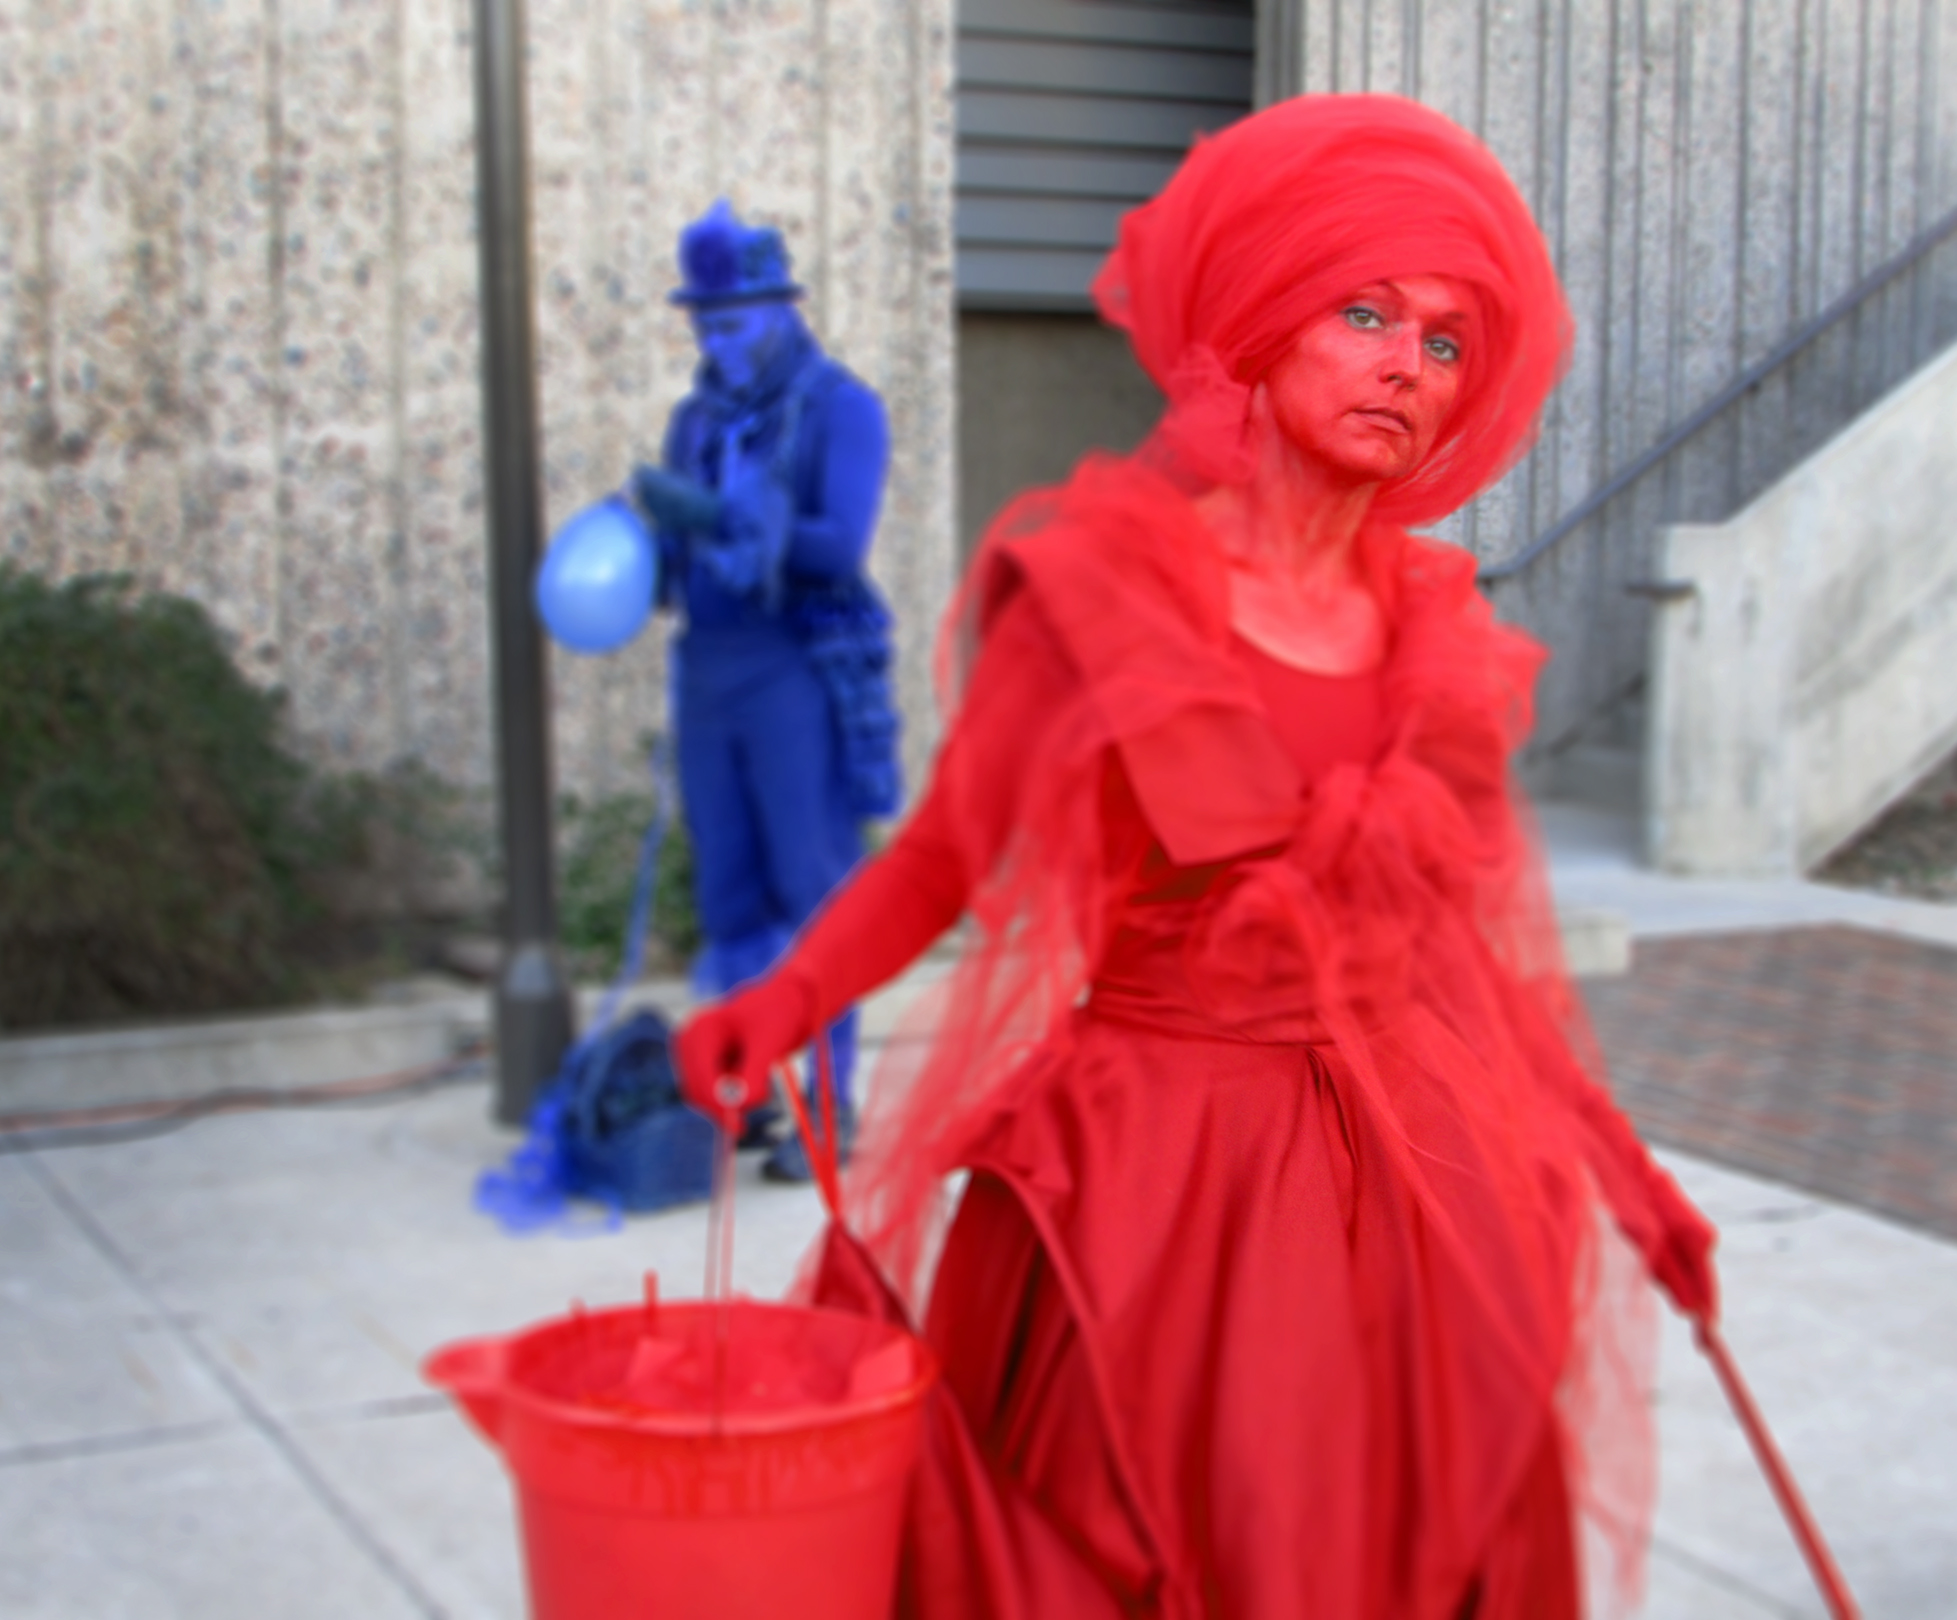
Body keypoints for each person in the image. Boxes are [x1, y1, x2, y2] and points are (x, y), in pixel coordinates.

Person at [677, 96, 1717, 1617]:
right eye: (1365, 313)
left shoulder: (1439, 632)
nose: (1406, 365)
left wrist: (1627, 1172)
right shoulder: (1107, 593)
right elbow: (949, 852)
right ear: (1266, 322)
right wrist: (783, 1001)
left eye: (1443, 340)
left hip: (1418, 1205)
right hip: (1167, 1198)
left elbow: (1468, 956)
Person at [635, 199, 899, 1182]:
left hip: (796, 667)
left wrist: (709, 514)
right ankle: (747, 1086)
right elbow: (677, 558)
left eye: (734, 320)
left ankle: (828, 1104)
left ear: (784, 309)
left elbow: (839, 546)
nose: (716, 340)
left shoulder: (840, 407)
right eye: (702, 323)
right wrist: (648, 550)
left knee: (814, 891)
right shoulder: (694, 419)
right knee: (731, 894)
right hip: (707, 668)